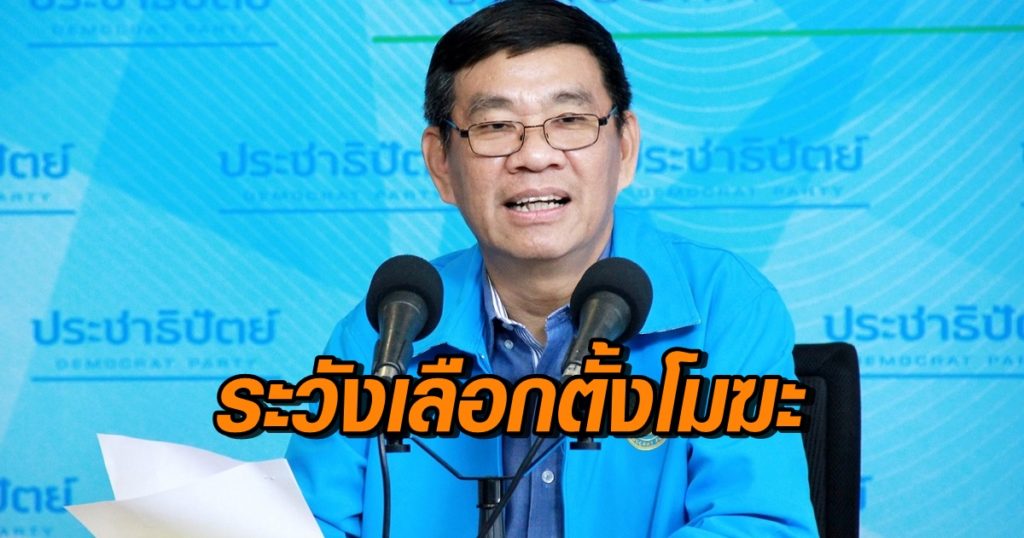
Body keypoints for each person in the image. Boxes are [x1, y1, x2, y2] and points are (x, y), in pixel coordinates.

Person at [286, 1, 817, 536]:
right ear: (441, 163)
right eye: (495, 126)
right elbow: (310, 524)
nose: (535, 156)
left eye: (569, 121)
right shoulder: (390, 327)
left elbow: (757, 525)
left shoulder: (722, 304)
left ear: (625, 147)